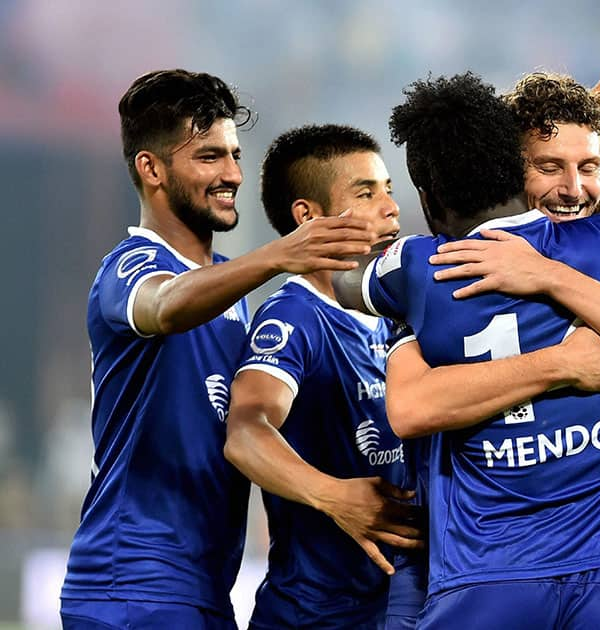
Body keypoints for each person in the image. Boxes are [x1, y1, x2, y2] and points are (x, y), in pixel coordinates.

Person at [336, 71, 600, 629]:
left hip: (495, 568)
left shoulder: (422, 267)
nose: (575, 189)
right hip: (585, 568)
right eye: (549, 166)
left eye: (590, 167)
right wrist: (559, 360)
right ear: (509, 165)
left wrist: (547, 272)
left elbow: (350, 281)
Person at [60, 69, 375, 630]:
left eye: (233, 153)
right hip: (132, 579)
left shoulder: (231, 284)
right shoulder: (130, 267)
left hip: (203, 588)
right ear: (151, 169)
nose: (232, 173)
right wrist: (278, 255)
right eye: (208, 157)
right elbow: (165, 306)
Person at [219, 123, 422, 629]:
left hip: (401, 607)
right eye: (365, 192)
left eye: (389, 191)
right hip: (315, 615)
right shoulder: (293, 317)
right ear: (308, 216)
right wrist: (336, 497)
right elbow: (245, 433)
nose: (390, 208)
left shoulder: (397, 311)